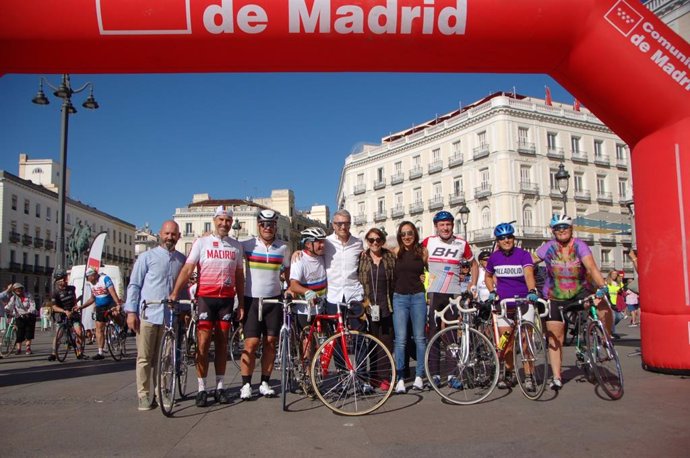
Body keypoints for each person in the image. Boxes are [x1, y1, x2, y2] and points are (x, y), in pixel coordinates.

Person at [170, 206, 245, 407]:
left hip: (226, 301)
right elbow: (188, 268)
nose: (224, 224)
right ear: (214, 221)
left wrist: (242, 303)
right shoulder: (201, 243)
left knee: (221, 344)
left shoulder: (236, 246)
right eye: (221, 220)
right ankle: (202, 388)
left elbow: (239, 276)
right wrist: (175, 292)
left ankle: (220, 387)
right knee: (202, 344)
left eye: (228, 220)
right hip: (206, 299)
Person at [534, 214, 608, 390]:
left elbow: (591, 267)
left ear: (571, 229)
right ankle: (557, 377)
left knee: (602, 305)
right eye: (558, 228)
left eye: (565, 227)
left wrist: (602, 286)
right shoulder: (548, 248)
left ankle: (605, 337)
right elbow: (528, 262)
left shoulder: (580, 246)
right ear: (553, 231)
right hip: (555, 295)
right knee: (555, 336)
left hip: (579, 291)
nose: (561, 231)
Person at [124, 221, 186, 411]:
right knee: (144, 357)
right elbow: (134, 285)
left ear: (179, 236)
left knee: (165, 359)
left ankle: (162, 393)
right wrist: (131, 312)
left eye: (173, 234)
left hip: (169, 318)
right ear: (160, 234)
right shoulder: (147, 257)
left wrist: (185, 312)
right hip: (148, 314)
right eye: (167, 233)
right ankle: (143, 395)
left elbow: (182, 288)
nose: (170, 237)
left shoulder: (181, 260)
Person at [239, 209, 291, 400]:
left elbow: (287, 271)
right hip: (252, 299)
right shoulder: (247, 245)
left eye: (271, 225)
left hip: (274, 300)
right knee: (251, 344)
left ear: (276, 226)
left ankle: (265, 382)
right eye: (264, 225)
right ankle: (245, 384)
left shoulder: (283, 248)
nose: (267, 228)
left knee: (270, 343)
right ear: (258, 226)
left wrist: (289, 287)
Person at [424, 210, 477, 390]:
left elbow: (474, 264)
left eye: (448, 224)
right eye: (442, 225)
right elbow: (417, 262)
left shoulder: (461, 243)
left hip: (454, 294)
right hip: (433, 294)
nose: (445, 228)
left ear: (452, 226)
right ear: (436, 227)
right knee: (433, 334)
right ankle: (435, 374)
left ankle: (453, 374)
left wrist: (473, 285)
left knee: (453, 335)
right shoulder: (428, 242)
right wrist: (422, 283)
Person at [484, 223, 539, 390]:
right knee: (505, 341)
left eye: (509, 237)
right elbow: (488, 276)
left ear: (514, 238)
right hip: (504, 303)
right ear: (498, 241)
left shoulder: (523, 255)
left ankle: (529, 375)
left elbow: (529, 274)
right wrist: (492, 291)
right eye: (502, 238)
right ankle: (510, 373)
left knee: (525, 341)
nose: (506, 240)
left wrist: (531, 290)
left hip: (523, 301)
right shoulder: (494, 258)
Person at [392, 221, 428, 393]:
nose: (406, 237)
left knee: (420, 338)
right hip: (399, 298)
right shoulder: (395, 253)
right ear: (399, 236)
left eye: (410, 233)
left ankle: (419, 376)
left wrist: (425, 278)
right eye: (403, 234)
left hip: (418, 297)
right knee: (400, 340)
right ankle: (400, 378)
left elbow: (429, 273)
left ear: (415, 234)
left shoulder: (423, 252)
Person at [358, 227, 396, 392]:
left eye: (378, 239)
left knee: (386, 342)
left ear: (382, 241)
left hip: (386, 304)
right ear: (367, 241)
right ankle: (372, 376)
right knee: (371, 342)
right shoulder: (361, 258)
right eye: (371, 240)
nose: (375, 243)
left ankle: (385, 377)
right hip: (368, 306)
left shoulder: (390, 257)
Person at [287, 227, 328, 346]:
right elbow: (293, 285)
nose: (323, 245)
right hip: (304, 310)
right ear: (308, 244)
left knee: (320, 345)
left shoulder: (322, 257)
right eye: (319, 242)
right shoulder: (299, 259)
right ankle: (306, 364)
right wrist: (307, 291)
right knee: (308, 345)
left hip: (321, 308)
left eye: (323, 241)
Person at [323, 209, 364, 314]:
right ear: (333, 225)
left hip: (355, 295)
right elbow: (312, 253)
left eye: (346, 223)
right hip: (333, 296)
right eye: (339, 224)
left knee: (357, 330)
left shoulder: (358, 243)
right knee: (335, 330)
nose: (343, 227)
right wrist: (299, 252)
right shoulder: (326, 242)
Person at [81, 267, 124, 360]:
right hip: (100, 307)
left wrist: (117, 304)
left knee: (115, 314)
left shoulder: (105, 278)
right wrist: (81, 307)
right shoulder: (91, 284)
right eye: (87, 278)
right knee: (99, 329)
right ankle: (100, 352)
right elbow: (92, 298)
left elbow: (113, 292)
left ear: (94, 275)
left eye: (89, 277)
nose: (88, 279)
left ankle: (121, 327)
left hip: (110, 303)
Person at [48, 269, 86, 361]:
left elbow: (74, 300)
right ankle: (53, 353)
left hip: (73, 312)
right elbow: (54, 307)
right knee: (59, 334)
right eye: (62, 280)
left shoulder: (72, 288)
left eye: (65, 279)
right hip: (62, 313)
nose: (65, 281)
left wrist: (76, 305)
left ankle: (79, 352)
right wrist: (64, 311)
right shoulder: (55, 292)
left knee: (79, 332)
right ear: (57, 281)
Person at [1, 283, 37, 355]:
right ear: (14, 291)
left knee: (28, 333)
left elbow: (32, 305)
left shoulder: (28, 295)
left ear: (22, 289)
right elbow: (9, 306)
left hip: (29, 316)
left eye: (20, 289)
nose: (19, 291)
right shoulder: (13, 298)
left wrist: (29, 312)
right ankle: (18, 349)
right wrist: (5, 309)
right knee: (19, 333)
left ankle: (28, 348)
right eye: (16, 290)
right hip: (19, 317)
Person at [606, 270, 624, 339]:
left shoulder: (619, 283)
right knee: (612, 317)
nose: (614, 275)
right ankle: (611, 333)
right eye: (613, 274)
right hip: (609, 302)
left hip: (616, 303)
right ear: (610, 274)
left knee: (619, 317)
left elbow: (622, 291)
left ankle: (609, 328)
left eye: (616, 274)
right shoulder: (607, 283)